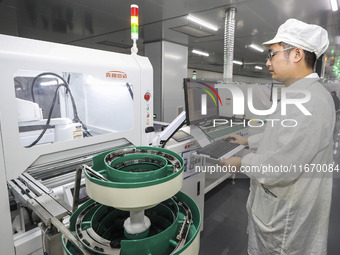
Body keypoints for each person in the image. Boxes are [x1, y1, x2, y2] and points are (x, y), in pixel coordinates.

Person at [220, 19, 334, 255]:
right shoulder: (301, 94)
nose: (267, 61)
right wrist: (248, 141)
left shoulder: (309, 102)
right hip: (280, 206)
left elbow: (281, 167)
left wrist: (241, 162)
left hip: (285, 217)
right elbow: (282, 135)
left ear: (297, 54)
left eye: (272, 54)